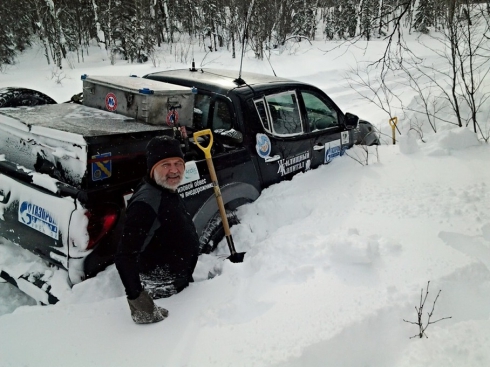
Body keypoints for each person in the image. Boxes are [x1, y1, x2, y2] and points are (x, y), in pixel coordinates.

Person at [115, 135, 200, 324]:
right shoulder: (146, 203)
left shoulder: (163, 188)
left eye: (178, 163)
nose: (174, 170)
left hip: (177, 279)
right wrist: (140, 303)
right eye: (166, 164)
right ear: (153, 168)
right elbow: (124, 256)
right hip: (164, 288)